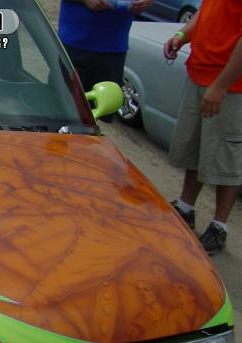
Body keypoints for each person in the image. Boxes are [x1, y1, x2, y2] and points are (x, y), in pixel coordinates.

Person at [165, 0, 242, 255]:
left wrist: (220, 86)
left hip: (231, 85)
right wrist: (181, 36)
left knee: (225, 156)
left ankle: (219, 227)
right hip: (200, 73)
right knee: (195, 145)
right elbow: (205, 12)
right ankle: (186, 207)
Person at [58, 0, 154, 121]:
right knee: (61, 109)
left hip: (113, 50)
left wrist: (146, 2)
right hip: (75, 45)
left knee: (97, 115)